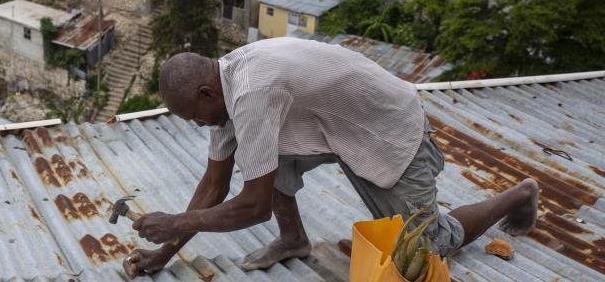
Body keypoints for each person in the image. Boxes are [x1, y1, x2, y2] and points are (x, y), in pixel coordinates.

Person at [123, 38, 539, 276]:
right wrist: (162, 256)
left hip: (384, 125)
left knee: (432, 244)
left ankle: (518, 194)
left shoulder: (252, 94)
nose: (199, 125)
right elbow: (214, 187)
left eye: (195, 117)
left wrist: (177, 222)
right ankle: (294, 239)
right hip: (332, 128)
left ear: (206, 94)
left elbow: (254, 207)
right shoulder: (224, 91)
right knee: (263, 160)